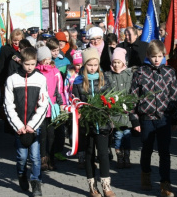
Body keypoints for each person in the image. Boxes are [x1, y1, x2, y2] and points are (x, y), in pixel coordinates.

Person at [129, 40, 177, 197]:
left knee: (164, 152)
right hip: (146, 118)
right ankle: (145, 175)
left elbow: (174, 95)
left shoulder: (169, 72)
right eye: (153, 56)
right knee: (147, 149)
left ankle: (165, 183)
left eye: (159, 56)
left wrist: (176, 118)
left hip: (164, 118)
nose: (157, 59)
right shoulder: (140, 73)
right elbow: (133, 98)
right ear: (147, 56)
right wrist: (134, 119)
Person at [4, 47, 49, 197]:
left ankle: (36, 182)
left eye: (33, 64)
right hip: (19, 127)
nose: (30, 67)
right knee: (22, 156)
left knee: (35, 157)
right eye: (27, 64)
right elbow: (8, 105)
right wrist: (19, 125)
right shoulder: (12, 79)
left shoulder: (40, 78)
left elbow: (44, 104)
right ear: (21, 62)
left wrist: (32, 125)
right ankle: (21, 173)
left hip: (34, 125)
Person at [72, 47, 115, 197]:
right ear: (84, 65)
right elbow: (75, 100)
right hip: (87, 124)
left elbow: (110, 98)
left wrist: (108, 108)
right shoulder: (78, 81)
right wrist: (79, 112)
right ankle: (92, 187)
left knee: (103, 154)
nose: (92, 68)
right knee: (89, 154)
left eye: (95, 65)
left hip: (102, 123)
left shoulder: (104, 79)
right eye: (89, 65)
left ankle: (106, 186)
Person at [35, 46, 65, 171]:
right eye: (44, 59)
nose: (47, 61)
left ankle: (51, 157)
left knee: (52, 134)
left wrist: (61, 103)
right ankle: (43, 158)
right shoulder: (36, 72)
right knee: (42, 135)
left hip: (52, 107)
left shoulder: (55, 71)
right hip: (40, 107)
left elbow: (60, 90)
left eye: (48, 58)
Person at [104, 47, 133, 169]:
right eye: (114, 62)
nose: (116, 65)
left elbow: (132, 91)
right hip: (115, 111)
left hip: (127, 112)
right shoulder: (108, 75)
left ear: (123, 62)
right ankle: (119, 156)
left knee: (127, 134)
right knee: (118, 135)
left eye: (118, 62)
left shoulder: (129, 74)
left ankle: (127, 156)